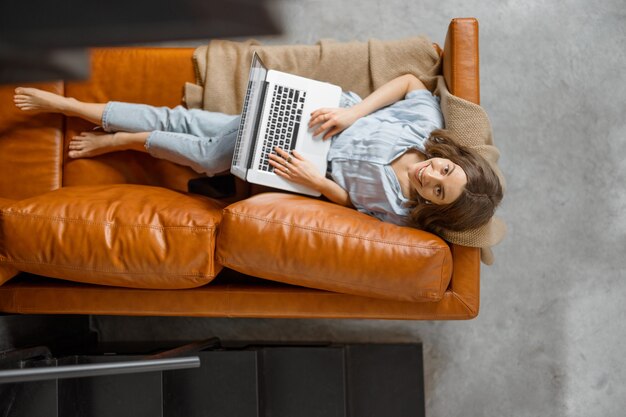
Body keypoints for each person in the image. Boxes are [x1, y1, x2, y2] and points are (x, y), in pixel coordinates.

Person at [13, 74, 502, 233]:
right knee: (207, 156)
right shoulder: (425, 125)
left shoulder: (400, 213)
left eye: (439, 191)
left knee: (187, 127)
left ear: (436, 208)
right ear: (452, 157)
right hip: (318, 113)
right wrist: (353, 115)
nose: (430, 176)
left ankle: (89, 113)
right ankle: (114, 131)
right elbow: (411, 83)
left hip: (299, 162)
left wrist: (318, 184)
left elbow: (353, 207)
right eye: (444, 170)